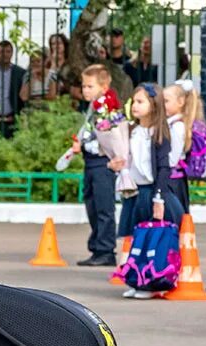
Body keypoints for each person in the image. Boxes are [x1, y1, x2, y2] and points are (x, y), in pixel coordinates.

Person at [113, 82, 186, 298]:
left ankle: (152, 283)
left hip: (152, 192)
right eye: (133, 101)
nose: (135, 106)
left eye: (140, 101)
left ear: (153, 105)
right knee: (138, 240)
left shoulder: (159, 133)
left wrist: (159, 197)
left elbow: (164, 167)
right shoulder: (130, 130)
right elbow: (127, 159)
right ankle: (137, 280)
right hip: (135, 192)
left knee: (153, 239)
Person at [73, 65, 119, 267]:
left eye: (90, 86)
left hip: (102, 161)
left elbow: (108, 134)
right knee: (92, 204)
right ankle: (97, 246)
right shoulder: (94, 106)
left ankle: (105, 249)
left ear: (104, 86)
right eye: (84, 86)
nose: (85, 90)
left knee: (103, 206)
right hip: (91, 160)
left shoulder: (107, 106)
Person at [163, 80, 194, 213]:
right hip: (173, 179)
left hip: (173, 180)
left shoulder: (177, 126)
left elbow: (172, 158)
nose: (162, 105)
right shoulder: (171, 124)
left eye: (166, 101)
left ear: (181, 102)